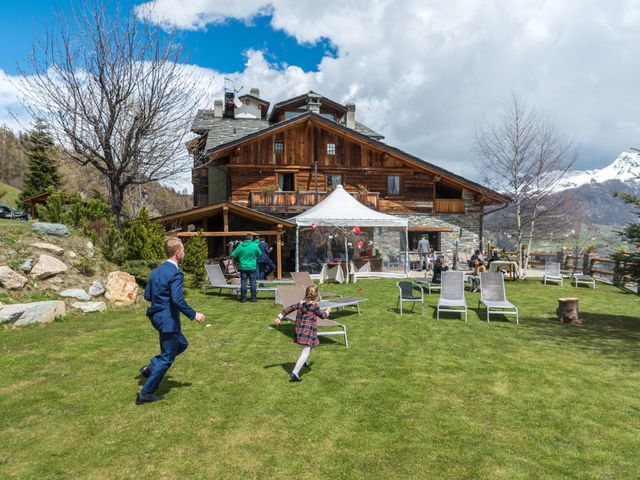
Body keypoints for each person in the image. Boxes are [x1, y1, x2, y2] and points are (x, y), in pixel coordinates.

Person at [137, 237, 205, 405]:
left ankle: (152, 367)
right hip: (168, 320)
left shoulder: (156, 272)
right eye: (183, 250)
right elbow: (177, 299)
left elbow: (147, 295)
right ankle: (145, 393)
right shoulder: (175, 273)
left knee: (181, 344)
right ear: (177, 252)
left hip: (157, 316)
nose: (185, 253)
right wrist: (194, 314)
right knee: (167, 358)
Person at [274, 285, 332, 382]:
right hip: (308, 332)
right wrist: (328, 311)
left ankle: (304, 362)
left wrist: (280, 316)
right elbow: (323, 316)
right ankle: (295, 373)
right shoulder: (315, 307)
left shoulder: (300, 304)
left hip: (299, 330)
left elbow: (289, 309)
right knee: (305, 352)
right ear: (317, 296)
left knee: (309, 347)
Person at [230, 234, 262, 302]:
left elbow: (233, 254)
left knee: (243, 283)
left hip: (243, 267)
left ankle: (243, 298)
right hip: (252, 267)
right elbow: (260, 253)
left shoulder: (240, 246)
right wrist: (254, 256)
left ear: (245, 239)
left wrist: (238, 259)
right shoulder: (254, 245)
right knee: (253, 282)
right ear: (251, 239)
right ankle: (253, 298)